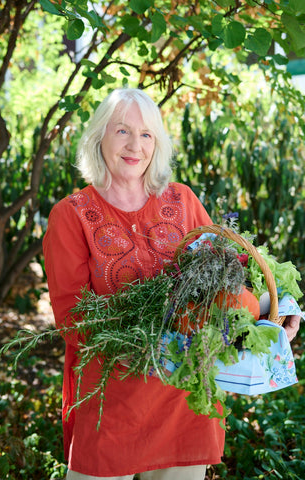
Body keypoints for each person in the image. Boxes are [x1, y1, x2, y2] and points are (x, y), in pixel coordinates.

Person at [43, 88, 301, 480]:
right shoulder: (71, 215)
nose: (135, 146)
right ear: (99, 138)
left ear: (158, 144)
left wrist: (272, 314)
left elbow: (227, 281)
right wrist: (142, 348)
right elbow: (72, 315)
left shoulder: (182, 201)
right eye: (122, 131)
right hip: (112, 401)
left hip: (185, 399)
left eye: (147, 135)